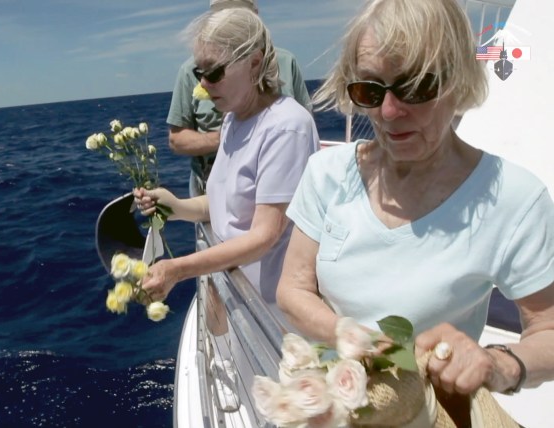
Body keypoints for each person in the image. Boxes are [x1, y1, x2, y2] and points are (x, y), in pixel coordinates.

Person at [275, 0, 554, 417]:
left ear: (458, 81)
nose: (387, 113)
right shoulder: (326, 173)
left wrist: (498, 364)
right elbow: (293, 289)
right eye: (369, 90)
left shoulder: (513, 197)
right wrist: (354, 338)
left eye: (417, 87)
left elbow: (547, 330)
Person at [136, 7, 319, 308]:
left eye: (214, 72)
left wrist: (176, 269)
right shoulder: (234, 119)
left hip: (270, 312)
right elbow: (227, 204)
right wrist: (177, 207)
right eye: (199, 73)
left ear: (254, 63)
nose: (203, 85)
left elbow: (264, 235)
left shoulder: (287, 127)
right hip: (238, 294)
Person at [166, 0, 313, 187]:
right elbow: (176, 139)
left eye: (214, 72)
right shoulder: (190, 69)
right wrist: (228, 138)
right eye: (221, 15)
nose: (204, 80)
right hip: (211, 185)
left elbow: (305, 126)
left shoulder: (287, 62)